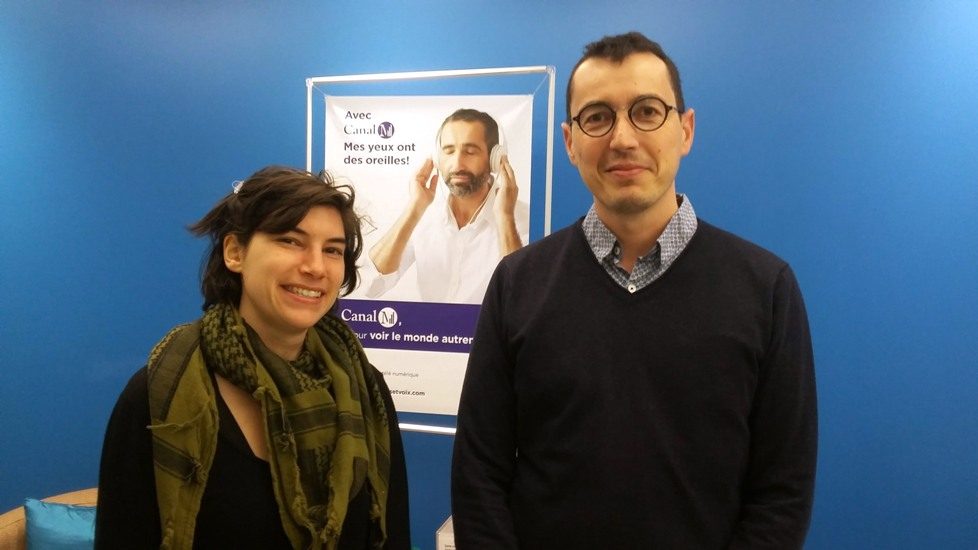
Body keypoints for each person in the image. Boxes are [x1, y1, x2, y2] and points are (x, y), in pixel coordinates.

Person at [451, 32, 817, 549]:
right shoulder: (517, 283)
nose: (622, 138)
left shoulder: (766, 288)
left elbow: (782, 492)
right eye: (597, 117)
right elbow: (479, 474)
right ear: (570, 141)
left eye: (647, 111)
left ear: (685, 131)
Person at [95, 166, 411, 549]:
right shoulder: (157, 393)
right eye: (290, 241)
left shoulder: (365, 387)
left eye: (332, 249)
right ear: (234, 252)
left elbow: (393, 535)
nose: (315, 266)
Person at [364, 108, 528, 304]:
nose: (457, 163)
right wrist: (415, 207)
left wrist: (505, 219)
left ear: (495, 159)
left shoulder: (523, 221)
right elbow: (371, 285)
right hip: (429, 335)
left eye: (470, 151)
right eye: (449, 151)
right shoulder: (423, 216)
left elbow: (523, 303)